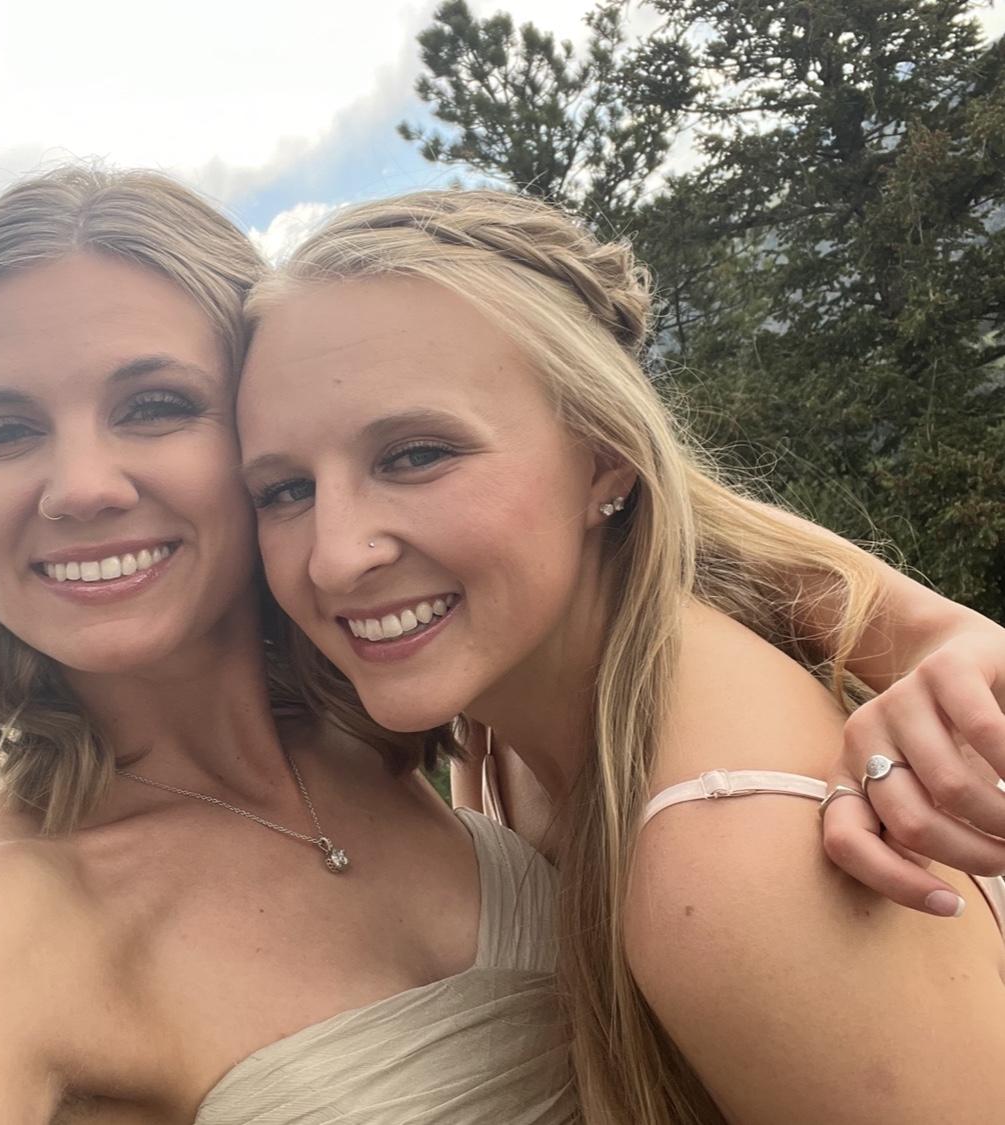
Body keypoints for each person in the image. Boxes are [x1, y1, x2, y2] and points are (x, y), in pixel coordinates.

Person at [237, 188, 1005, 1125]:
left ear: (603, 458)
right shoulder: (514, 696)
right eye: (283, 489)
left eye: (415, 455)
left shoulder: (729, 865)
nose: (333, 556)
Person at [0, 169, 576, 1124]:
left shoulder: (403, 713)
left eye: (153, 406)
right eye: (0, 430)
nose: (79, 487)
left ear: (266, 427)